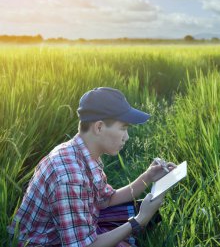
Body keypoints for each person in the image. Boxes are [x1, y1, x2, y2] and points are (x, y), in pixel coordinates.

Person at [8, 87, 175, 247]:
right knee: (137, 217)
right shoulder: (69, 177)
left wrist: (147, 177)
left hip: (69, 229)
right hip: (45, 243)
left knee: (136, 211)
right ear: (99, 127)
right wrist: (139, 220)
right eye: (123, 128)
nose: (127, 137)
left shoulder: (83, 152)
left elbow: (106, 199)